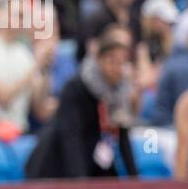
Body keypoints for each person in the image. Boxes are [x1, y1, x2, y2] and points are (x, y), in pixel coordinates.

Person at [26, 28, 139, 179]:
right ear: (99, 59)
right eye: (112, 61)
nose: (117, 68)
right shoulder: (77, 87)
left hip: (95, 163)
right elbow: (70, 138)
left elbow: (123, 137)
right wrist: (81, 184)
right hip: (57, 166)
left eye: (121, 63)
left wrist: (135, 180)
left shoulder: (120, 92)